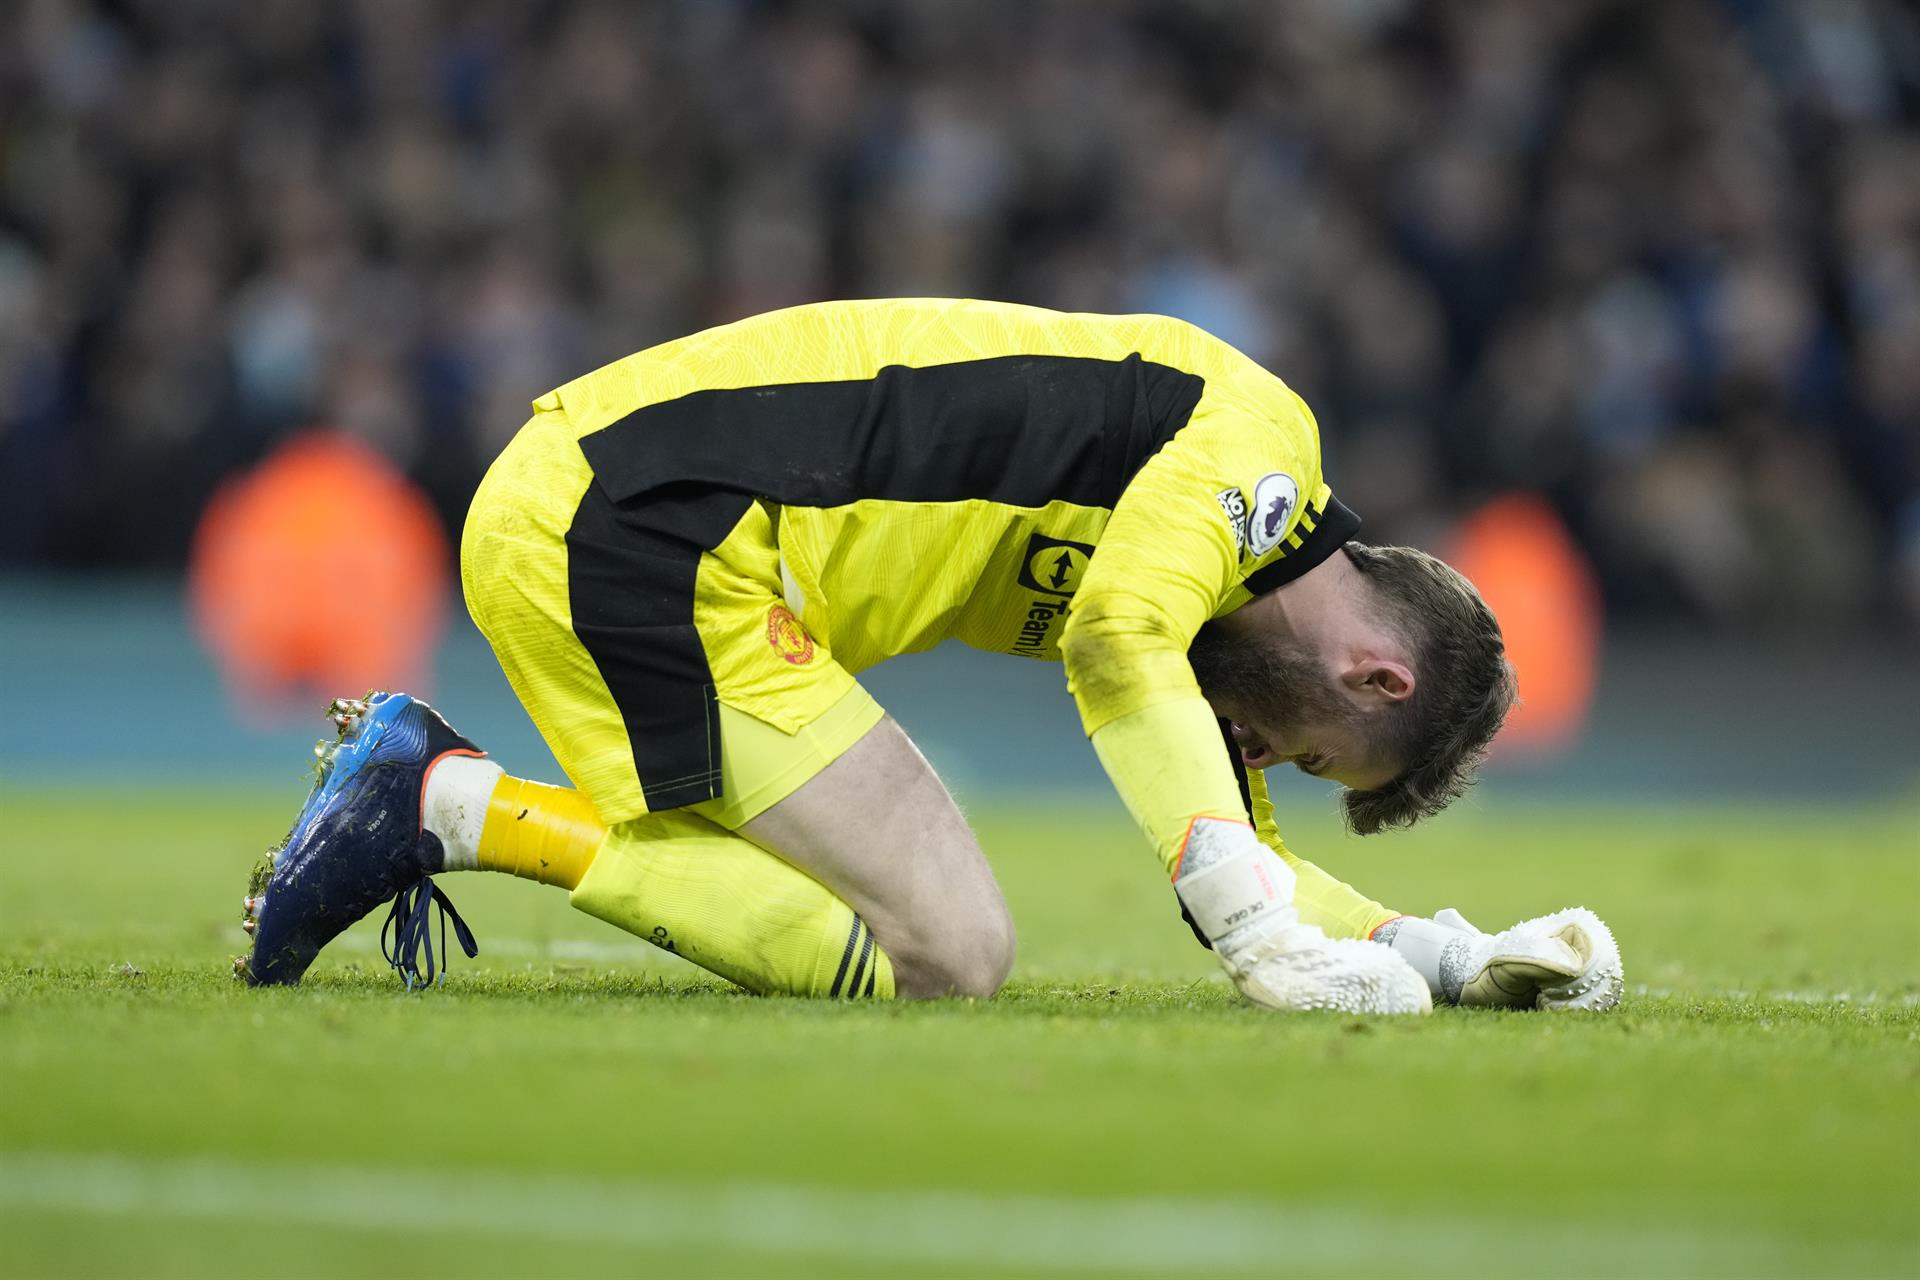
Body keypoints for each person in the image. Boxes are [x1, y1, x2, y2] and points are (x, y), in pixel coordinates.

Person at [240, 299, 1622, 1014]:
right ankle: (441, 802)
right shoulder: (1259, 461)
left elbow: (1221, 807)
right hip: (643, 521)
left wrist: (1442, 956)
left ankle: (441, 799)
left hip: (683, 536)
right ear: (1378, 673)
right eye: (1312, 753)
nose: (1260, 759)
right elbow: (1114, 638)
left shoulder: (1218, 585)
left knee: (944, 950)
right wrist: (1249, 933)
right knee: (947, 954)